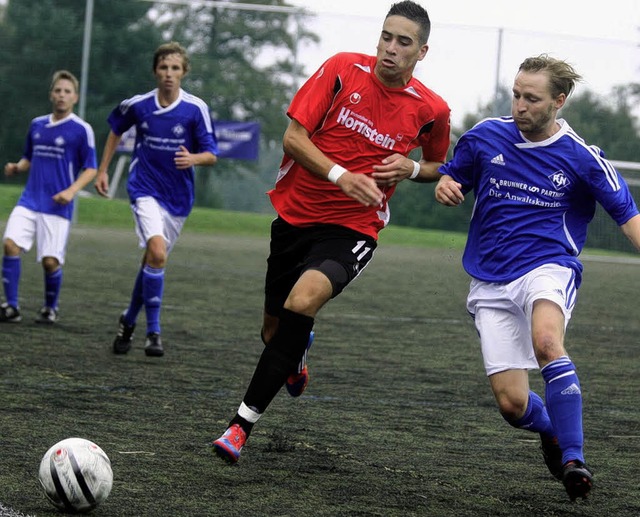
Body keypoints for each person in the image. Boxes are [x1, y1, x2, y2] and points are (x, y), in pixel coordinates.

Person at [212, 0, 451, 463]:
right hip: (295, 217)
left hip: (354, 228)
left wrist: (414, 167)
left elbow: (440, 165)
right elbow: (293, 139)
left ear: (422, 52)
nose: (390, 49)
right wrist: (342, 175)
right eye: (386, 36)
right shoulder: (342, 69)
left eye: (404, 42)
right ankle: (296, 353)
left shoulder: (432, 109)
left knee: (302, 301)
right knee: (273, 329)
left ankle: (239, 428)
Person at [435, 54, 640, 501]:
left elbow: (629, 216)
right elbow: (453, 177)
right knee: (512, 405)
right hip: (490, 279)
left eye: (532, 98)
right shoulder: (486, 136)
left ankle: (573, 459)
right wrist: (445, 185)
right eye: (516, 95)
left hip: (548, 267)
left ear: (558, 102)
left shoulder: (583, 158)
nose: (520, 106)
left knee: (548, 343)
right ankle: (550, 432)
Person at [94, 41, 218, 357]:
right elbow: (115, 130)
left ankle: (128, 321)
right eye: (163, 67)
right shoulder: (138, 105)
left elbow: (211, 154)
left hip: (178, 198)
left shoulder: (195, 109)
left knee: (152, 259)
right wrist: (103, 170)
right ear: (155, 71)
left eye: (175, 68)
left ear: (184, 72)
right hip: (144, 189)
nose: (168, 74)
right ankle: (154, 332)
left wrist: (194, 159)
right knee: (158, 254)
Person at [1, 70, 98, 324]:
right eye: (58, 91)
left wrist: (71, 191)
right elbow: (29, 157)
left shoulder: (81, 130)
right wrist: (17, 167)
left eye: (67, 92)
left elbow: (91, 168)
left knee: (50, 261)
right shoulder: (37, 124)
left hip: (57, 205)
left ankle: (49, 308)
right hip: (30, 200)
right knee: (10, 244)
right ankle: (11, 307)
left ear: (75, 97)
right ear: (51, 95)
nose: (61, 96)